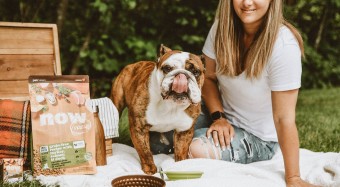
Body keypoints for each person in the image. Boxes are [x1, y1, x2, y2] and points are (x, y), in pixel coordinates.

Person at [188, 0, 318, 186]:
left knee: (195, 149)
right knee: (158, 135)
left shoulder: (284, 44)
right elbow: (208, 78)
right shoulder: (221, 28)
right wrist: (219, 118)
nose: (247, 3)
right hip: (221, 115)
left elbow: (284, 118)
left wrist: (293, 178)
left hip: (260, 138)